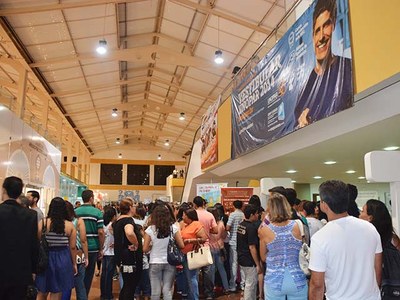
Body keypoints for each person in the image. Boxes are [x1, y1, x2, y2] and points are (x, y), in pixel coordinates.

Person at [309, 180, 382, 300]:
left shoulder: (320, 238)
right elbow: (377, 269)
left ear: (324, 204)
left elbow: (317, 284)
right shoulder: (370, 228)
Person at [295, 0, 353, 128]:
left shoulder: (347, 68)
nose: (321, 36)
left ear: (332, 27)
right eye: (317, 31)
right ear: (312, 37)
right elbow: (296, 127)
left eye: (326, 25)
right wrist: (301, 125)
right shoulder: (305, 90)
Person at [259, 193, 308, 299]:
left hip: (274, 279)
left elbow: (263, 257)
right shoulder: (298, 225)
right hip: (297, 277)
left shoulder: (264, 230)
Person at [0, 176, 39, 300]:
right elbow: (34, 244)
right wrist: (33, 270)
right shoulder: (31, 215)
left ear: (4, 190)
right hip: (22, 270)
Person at [35, 197, 77, 300]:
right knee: (57, 290)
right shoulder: (69, 225)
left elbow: (36, 242)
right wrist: (74, 263)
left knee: (42, 291)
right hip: (63, 258)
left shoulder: (43, 222)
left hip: (45, 258)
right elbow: (72, 247)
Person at [360, 199, 400, 298]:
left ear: (370, 217)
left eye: (362, 211)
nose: (359, 214)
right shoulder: (393, 238)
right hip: (393, 288)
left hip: (376, 288)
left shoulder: (366, 239)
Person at [143, 204, 184, 300]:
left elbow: (144, 249)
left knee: (155, 291)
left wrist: (151, 246)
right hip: (170, 261)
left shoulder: (150, 229)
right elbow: (181, 245)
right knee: (167, 290)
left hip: (154, 261)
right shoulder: (173, 228)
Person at [75, 189, 105, 296]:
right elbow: (101, 232)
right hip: (93, 247)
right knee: (88, 275)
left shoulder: (75, 212)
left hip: (78, 247)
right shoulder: (97, 212)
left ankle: (79, 295)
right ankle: (84, 295)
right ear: (91, 198)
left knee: (78, 274)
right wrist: (101, 248)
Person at [113, 198, 143, 300]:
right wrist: (136, 243)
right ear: (130, 207)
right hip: (130, 257)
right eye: (134, 206)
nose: (135, 208)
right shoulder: (128, 220)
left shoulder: (118, 220)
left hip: (121, 256)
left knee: (127, 284)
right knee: (130, 285)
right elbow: (129, 232)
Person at [62, 201, 89, 300]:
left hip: (62, 255)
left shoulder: (58, 222)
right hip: (77, 254)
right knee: (80, 284)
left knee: (63, 285)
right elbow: (83, 240)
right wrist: (86, 256)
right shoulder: (78, 221)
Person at [193, 196, 218, 299]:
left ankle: (196, 293)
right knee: (208, 272)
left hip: (195, 246)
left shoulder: (193, 214)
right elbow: (215, 230)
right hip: (206, 246)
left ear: (194, 204)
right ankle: (209, 293)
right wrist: (207, 231)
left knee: (195, 272)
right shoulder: (209, 215)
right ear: (203, 203)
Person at [181, 208, 208, 300]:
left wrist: (190, 241)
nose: (182, 216)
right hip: (185, 254)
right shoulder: (185, 225)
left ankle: (194, 298)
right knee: (188, 278)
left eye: (184, 215)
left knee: (192, 278)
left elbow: (204, 238)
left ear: (189, 216)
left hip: (191, 255)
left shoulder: (196, 224)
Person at [237, 204, 263, 300]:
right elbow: (252, 247)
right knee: (250, 284)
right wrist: (257, 264)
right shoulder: (251, 228)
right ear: (252, 214)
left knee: (249, 282)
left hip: (241, 257)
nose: (257, 216)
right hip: (249, 259)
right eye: (256, 214)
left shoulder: (241, 225)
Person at [207, 207, 230, 294]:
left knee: (212, 270)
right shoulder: (221, 224)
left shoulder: (208, 224)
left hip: (210, 247)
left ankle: (211, 289)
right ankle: (226, 288)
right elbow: (224, 236)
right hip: (220, 247)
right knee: (221, 269)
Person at [226, 199, 245, 292]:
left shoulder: (232, 215)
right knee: (242, 264)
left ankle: (233, 285)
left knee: (233, 263)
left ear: (233, 206)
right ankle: (243, 284)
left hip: (233, 241)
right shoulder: (243, 215)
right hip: (242, 242)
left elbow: (227, 227)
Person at [101, 206, 117, 300]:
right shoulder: (112, 226)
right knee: (109, 274)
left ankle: (103, 294)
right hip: (111, 253)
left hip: (104, 251)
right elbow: (117, 238)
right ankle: (108, 295)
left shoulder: (103, 225)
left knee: (104, 274)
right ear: (113, 216)